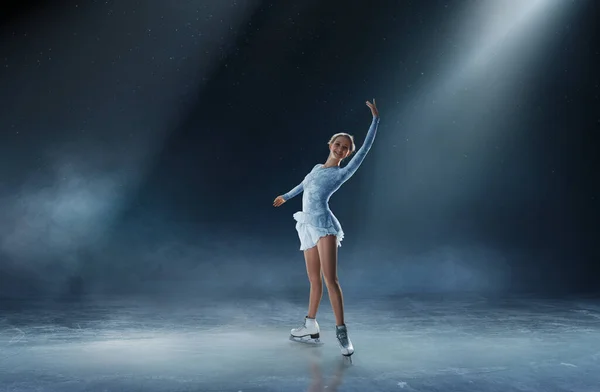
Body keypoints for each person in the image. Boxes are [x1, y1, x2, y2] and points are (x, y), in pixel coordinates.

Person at [273, 99, 380, 356]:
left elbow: (365, 149)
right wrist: (286, 197)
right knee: (313, 280)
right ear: (330, 144)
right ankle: (310, 326)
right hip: (307, 225)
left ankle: (342, 333)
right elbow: (303, 185)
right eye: (338, 144)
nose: (341, 148)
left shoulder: (342, 173)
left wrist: (375, 120)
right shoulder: (316, 168)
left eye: (345, 148)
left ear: (348, 153)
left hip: (325, 226)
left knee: (330, 279)